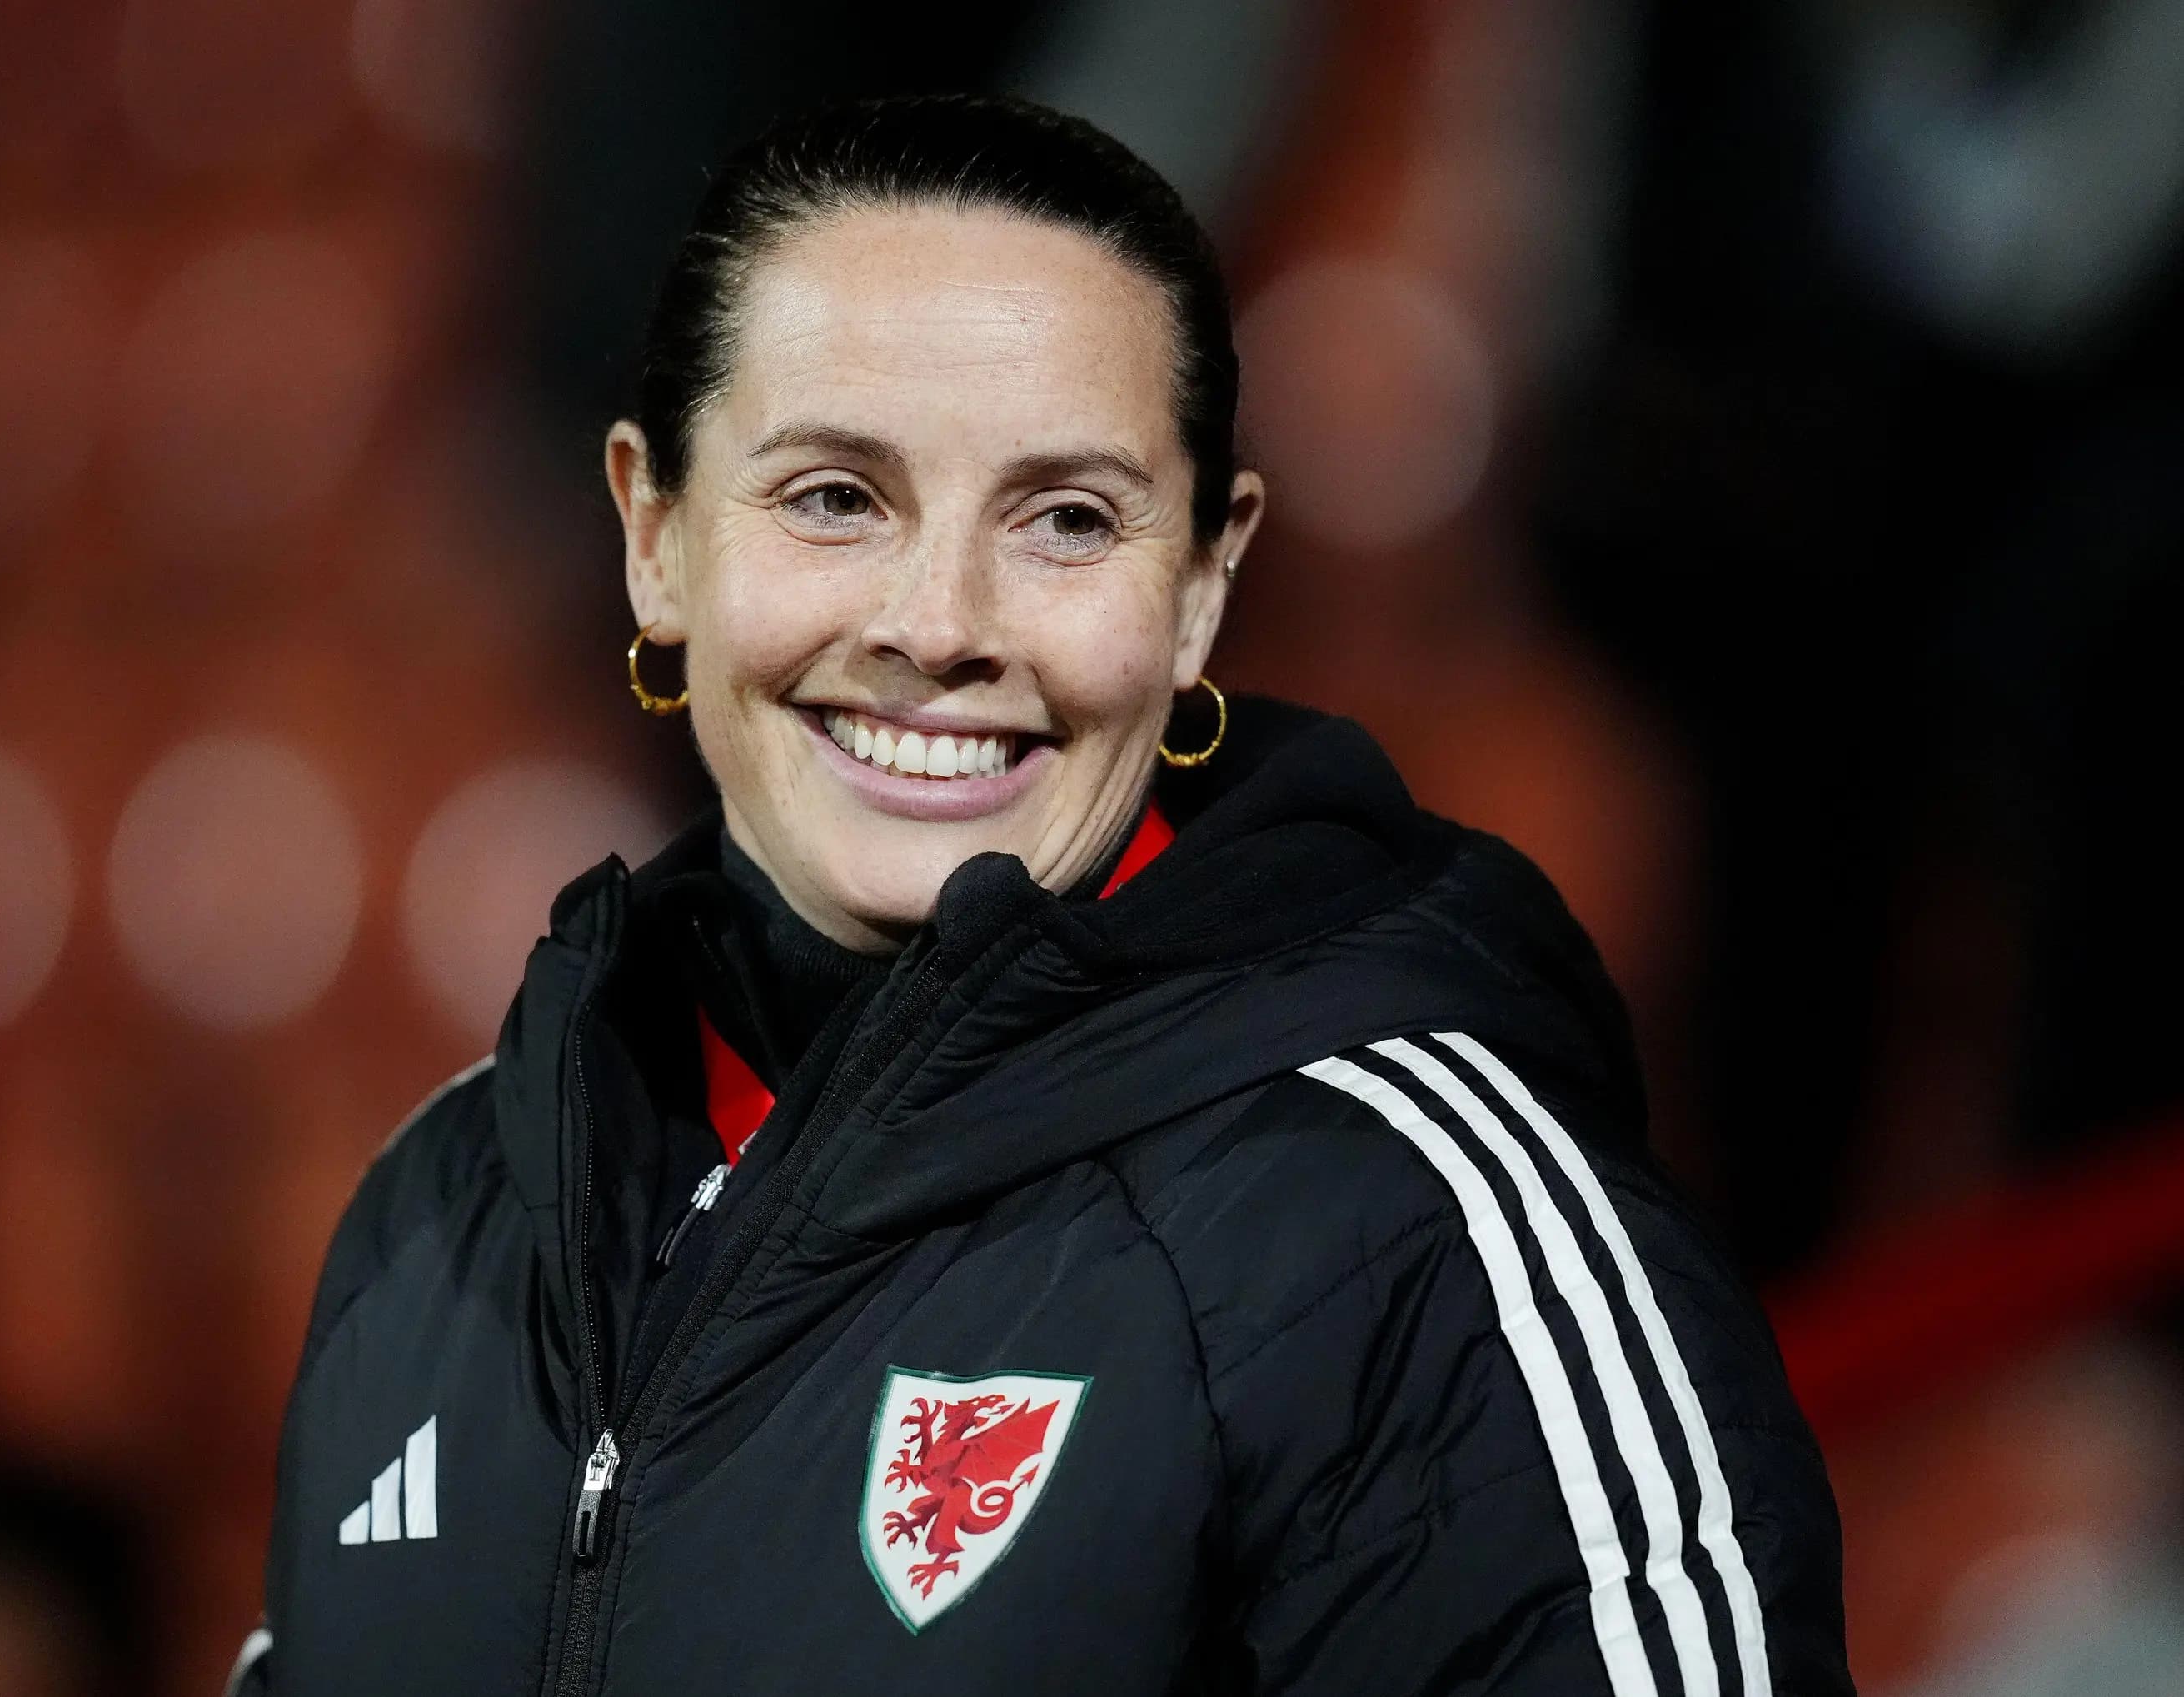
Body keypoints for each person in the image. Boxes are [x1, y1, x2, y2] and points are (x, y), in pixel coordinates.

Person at [230, 95, 1852, 1695]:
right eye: (833, 496)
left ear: (1202, 585)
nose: (938, 623)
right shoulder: (440, 1212)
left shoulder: (1407, 1225)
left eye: (1064, 517)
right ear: (655, 534)